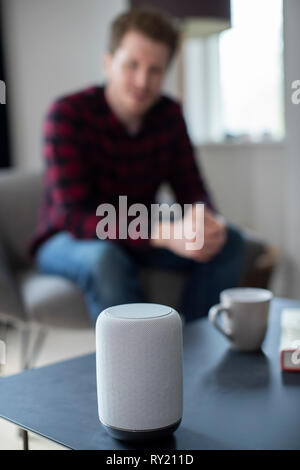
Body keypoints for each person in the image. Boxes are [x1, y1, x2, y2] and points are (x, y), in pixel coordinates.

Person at [29, 8, 245, 324]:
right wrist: (161, 232)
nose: (143, 82)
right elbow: (74, 215)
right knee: (106, 258)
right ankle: (138, 366)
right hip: (68, 238)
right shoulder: (66, 115)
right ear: (108, 63)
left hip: (139, 233)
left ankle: (195, 346)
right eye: (132, 65)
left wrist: (201, 218)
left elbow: (192, 189)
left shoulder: (169, 116)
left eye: (155, 70)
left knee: (230, 241)